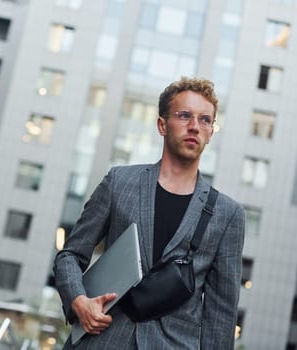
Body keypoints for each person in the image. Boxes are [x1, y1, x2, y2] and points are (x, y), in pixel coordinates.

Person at [53, 77, 245, 349]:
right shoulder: (119, 182)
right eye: (184, 115)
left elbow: (221, 315)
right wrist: (79, 301)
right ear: (162, 125)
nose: (194, 126)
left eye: (205, 120)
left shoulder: (228, 214)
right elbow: (69, 256)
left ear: (211, 132)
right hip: (102, 341)